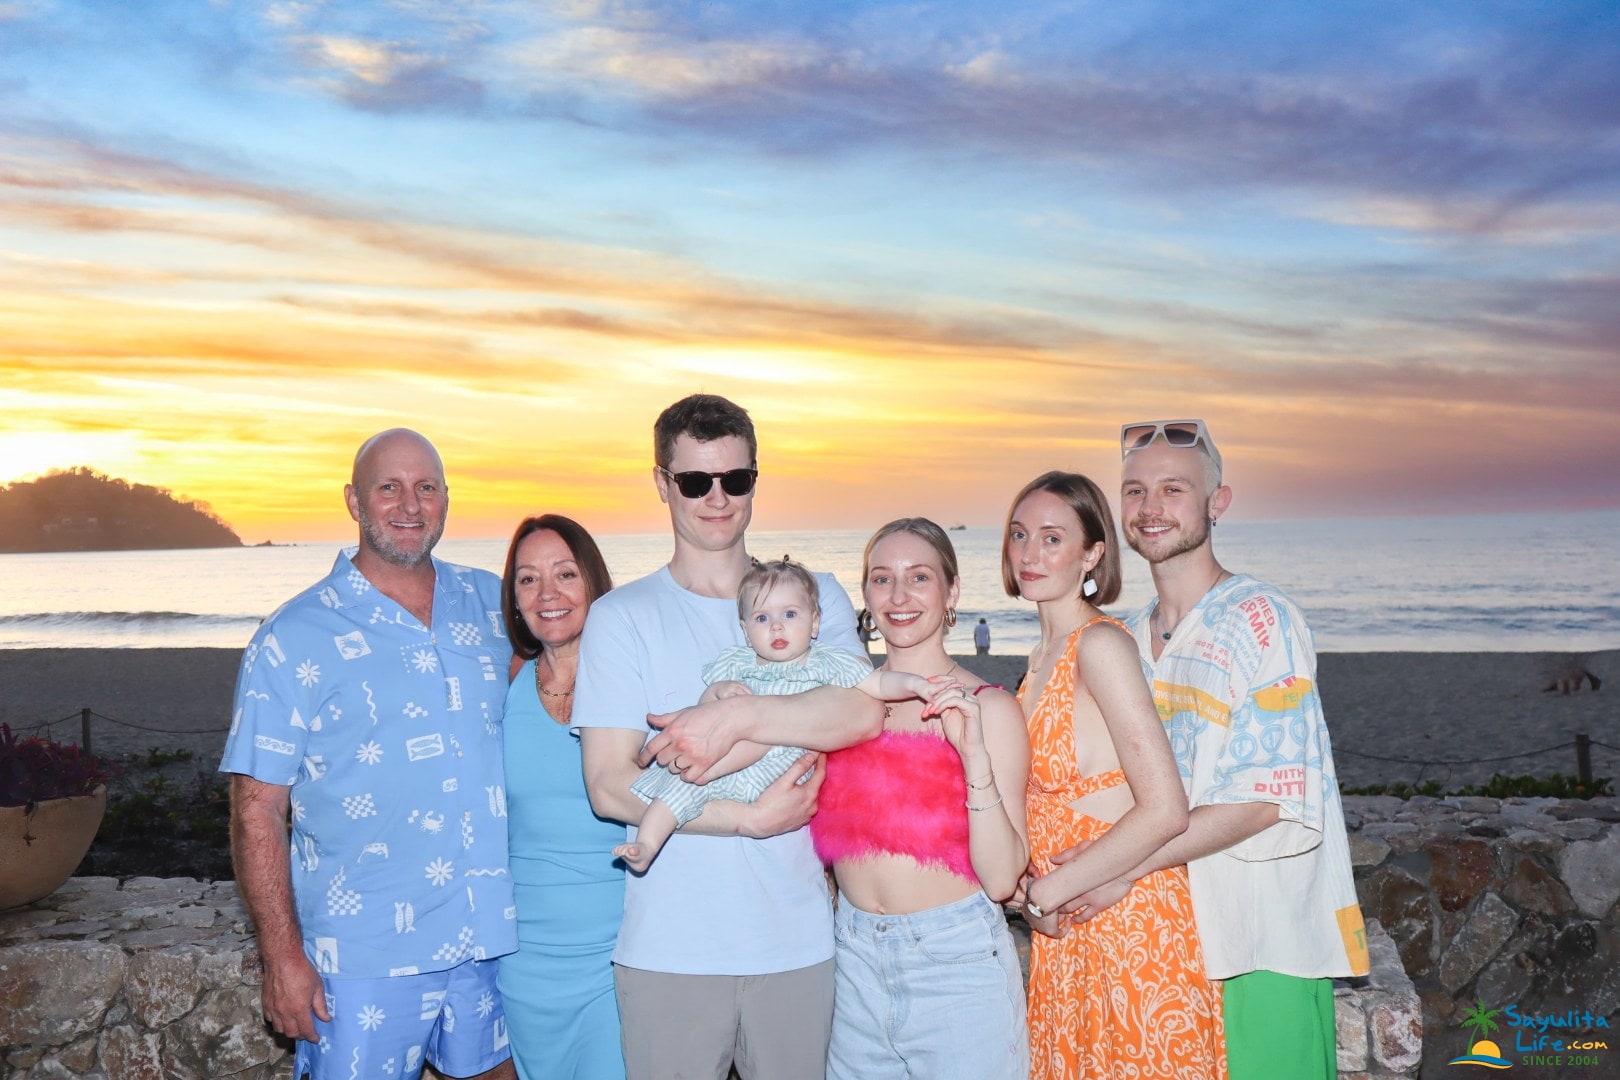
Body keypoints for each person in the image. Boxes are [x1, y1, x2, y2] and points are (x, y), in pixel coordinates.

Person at [573, 394, 886, 1080]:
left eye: (735, 479)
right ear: (662, 483)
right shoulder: (621, 617)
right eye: (694, 481)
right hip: (669, 952)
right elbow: (607, 784)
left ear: (754, 480)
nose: (717, 499)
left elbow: (861, 714)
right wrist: (745, 819)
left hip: (798, 944)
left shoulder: (812, 596)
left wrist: (736, 719)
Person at [1057, 419, 1370, 1080]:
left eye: (1174, 489)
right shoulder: (1126, 638)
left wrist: (1120, 866)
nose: (1151, 507)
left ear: (1216, 502)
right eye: (1135, 491)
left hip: (1261, 942)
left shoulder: (1262, 619)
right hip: (1166, 944)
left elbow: (1262, 800)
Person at [222, 429, 517, 1080]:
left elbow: (561, 699)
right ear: (355, 501)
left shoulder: (496, 606)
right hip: (363, 955)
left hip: (492, 939)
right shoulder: (293, 636)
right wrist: (282, 957)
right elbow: (256, 811)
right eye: (389, 487)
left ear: (446, 499)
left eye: (426, 488)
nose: (410, 505)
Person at [1006, 472, 1223, 1080]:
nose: (1029, 553)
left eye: (1053, 538)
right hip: (1071, 930)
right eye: (1019, 535)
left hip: (1130, 922)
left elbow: (1165, 808)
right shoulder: (1037, 661)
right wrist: (1032, 897)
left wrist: (1046, 893)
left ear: (1092, 554)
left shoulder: (1099, 645)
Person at [812, 518, 1031, 1079]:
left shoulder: (989, 707)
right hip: (851, 964)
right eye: (882, 578)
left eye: (919, 577)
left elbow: (1002, 878)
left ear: (952, 591)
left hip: (956, 967)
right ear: (866, 595)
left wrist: (973, 756)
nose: (899, 596)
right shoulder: (843, 704)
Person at [614, 556, 947, 874]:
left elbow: (878, 683)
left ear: (814, 622)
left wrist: (918, 685)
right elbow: (707, 710)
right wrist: (719, 692)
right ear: (746, 631)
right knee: (677, 791)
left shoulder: (826, 662)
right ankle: (646, 846)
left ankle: (700, 774)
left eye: (789, 614)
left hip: (776, 770)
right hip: (723, 772)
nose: (776, 627)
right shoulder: (737, 664)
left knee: (731, 749)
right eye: (762, 618)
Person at [495, 514, 626, 1080]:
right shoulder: (503, 685)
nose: (547, 593)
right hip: (522, 963)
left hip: (617, 957)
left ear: (594, 582)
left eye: (566, 574)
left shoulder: (635, 683)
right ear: (515, 599)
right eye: (528, 579)